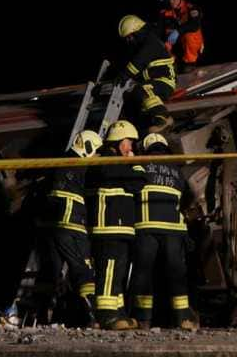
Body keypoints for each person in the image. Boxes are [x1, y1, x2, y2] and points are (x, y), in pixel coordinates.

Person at [128, 133, 199, 330]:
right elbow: (192, 196)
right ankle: (182, 317)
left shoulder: (140, 164)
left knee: (144, 274)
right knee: (176, 275)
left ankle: (143, 319)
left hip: (146, 228)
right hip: (173, 231)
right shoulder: (177, 170)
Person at [86, 120, 142, 330]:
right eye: (128, 143)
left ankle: (118, 313)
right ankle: (107, 315)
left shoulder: (117, 164)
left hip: (119, 228)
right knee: (109, 272)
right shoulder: (108, 162)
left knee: (117, 274)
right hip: (108, 228)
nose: (131, 148)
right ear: (118, 142)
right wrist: (134, 163)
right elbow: (140, 180)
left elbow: (135, 183)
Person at [44, 130, 102, 325]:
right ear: (87, 148)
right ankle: (94, 314)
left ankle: (53, 314)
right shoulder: (80, 166)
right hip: (73, 222)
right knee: (83, 268)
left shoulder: (61, 162)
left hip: (55, 225)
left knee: (57, 273)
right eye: (96, 151)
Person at [117, 15, 176, 134]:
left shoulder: (151, 43)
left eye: (130, 37)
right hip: (155, 82)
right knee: (132, 96)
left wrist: (125, 75)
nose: (129, 41)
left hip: (165, 82)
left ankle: (163, 117)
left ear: (137, 31)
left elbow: (138, 62)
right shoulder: (141, 46)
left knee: (143, 89)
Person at [158, 0, 204, 73]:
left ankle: (190, 63)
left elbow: (194, 25)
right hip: (177, 47)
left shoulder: (191, 9)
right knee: (160, 42)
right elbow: (160, 31)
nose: (172, 1)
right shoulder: (165, 13)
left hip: (193, 46)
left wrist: (178, 31)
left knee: (189, 34)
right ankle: (171, 65)